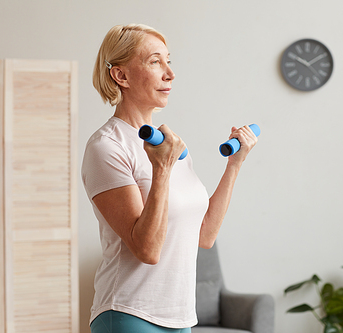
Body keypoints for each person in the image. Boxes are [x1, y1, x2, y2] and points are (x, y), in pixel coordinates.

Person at [81, 24, 258, 333]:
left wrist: (234, 165)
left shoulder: (170, 144)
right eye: (154, 61)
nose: (169, 73)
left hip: (180, 318)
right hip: (128, 314)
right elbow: (147, 249)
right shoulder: (107, 147)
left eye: (168, 61)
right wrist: (161, 169)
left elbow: (204, 236)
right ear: (120, 76)